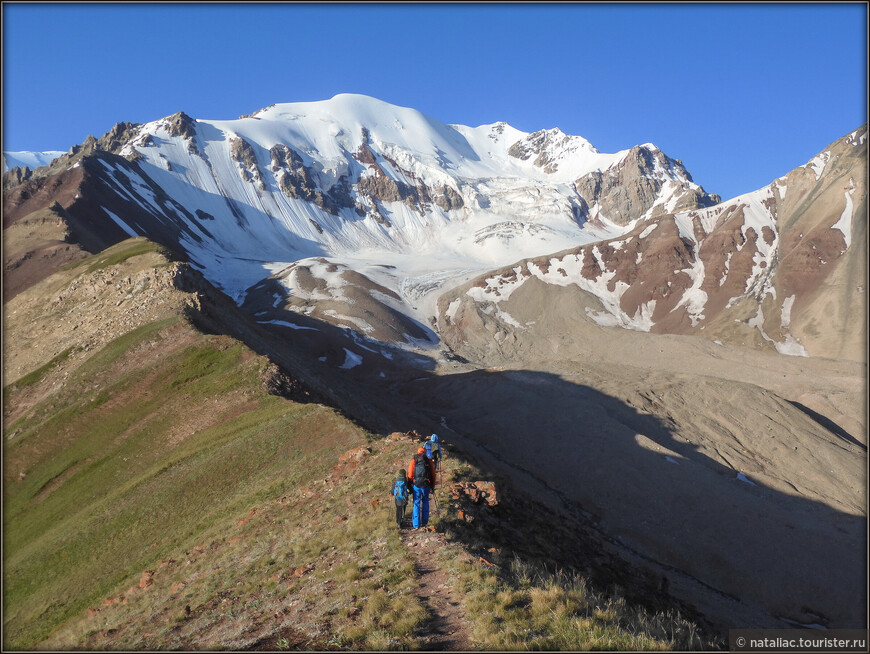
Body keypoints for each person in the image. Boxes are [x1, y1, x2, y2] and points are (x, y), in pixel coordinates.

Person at [407, 445, 436, 529]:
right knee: (425, 501)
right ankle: (425, 521)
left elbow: (410, 474)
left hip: (416, 485)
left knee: (416, 503)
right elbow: (433, 474)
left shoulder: (414, 460)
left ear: (418, 452)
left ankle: (416, 524)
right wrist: (432, 485)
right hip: (426, 484)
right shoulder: (428, 460)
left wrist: (410, 483)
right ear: (425, 452)